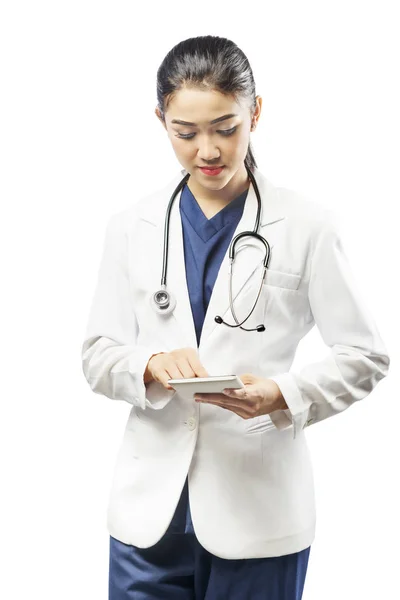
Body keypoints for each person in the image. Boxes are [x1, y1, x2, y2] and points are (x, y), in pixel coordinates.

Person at [81, 35, 390, 600]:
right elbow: (98, 354)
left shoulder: (308, 227)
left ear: (256, 113)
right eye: (186, 132)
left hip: (259, 515)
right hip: (149, 519)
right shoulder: (131, 227)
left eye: (226, 128)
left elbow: (366, 355)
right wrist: (147, 363)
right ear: (161, 120)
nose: (208, 150)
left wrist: (286, 394)